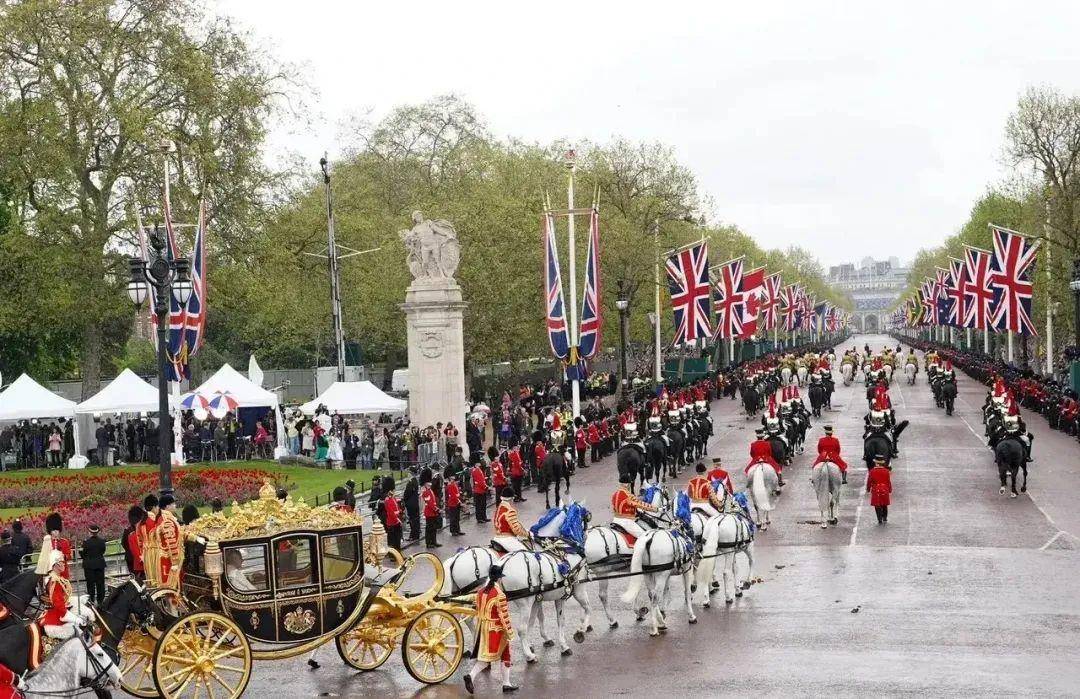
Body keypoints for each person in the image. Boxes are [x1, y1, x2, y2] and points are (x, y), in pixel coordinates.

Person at [463, 564, 517, 694]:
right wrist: (510, 633)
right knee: (498, 657)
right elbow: (504, 617)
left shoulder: (480, 592)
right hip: (496, 630)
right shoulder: (499, 594)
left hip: (482, 628)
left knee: (487, 658)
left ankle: (506, 683)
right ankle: (472, 676)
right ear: (499, 578)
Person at [41, 550, 81, 639]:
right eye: (62, 562)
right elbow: (57, 602)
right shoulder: (56, 581)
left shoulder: (55, 578)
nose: (64, 564)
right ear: (56, 564)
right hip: (57, 618)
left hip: (56, 613)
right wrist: (72, 617)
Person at [611, 473, 657, 541]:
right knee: (645, 537)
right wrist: (656, 509)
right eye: (629, 484)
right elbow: (641, 504)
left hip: (615, 519)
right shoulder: (627, 495)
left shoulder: (615, 494)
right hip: (626, 521)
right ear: (627, 484)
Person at [156, 494, 184, 591]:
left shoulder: (165, 517)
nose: (175, 506)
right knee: (172, 589)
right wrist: (175, 562)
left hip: (167, 559)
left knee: (171, 590)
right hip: (169, 561)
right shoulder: (167, 520)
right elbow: (171, 543)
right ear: (167, 506)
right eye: (173, 504)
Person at [34, 512, 71, 580]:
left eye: (57, 530)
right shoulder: (47, 542)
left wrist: (63, 556)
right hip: (51, 572)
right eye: (53, 530)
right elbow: (44, 557)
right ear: (50, 531)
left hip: (63, 572)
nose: (56, 532)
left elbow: (69, 556)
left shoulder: (64, 542)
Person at [79, 524, 107, 606]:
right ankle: (100, 601)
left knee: (90, 585)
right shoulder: (102, 541)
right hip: (99, 564)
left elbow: (83, 554)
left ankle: (91, 601)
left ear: (90, 532)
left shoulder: (86, 542)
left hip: (89, 566)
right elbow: (103, 551)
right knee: (100, 584)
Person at [137, 495, 161, 585]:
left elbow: (139, 541)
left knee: (150, 579)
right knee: (159, 578)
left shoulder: (140, 522)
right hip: (157, 552)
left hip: (146, 553)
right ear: (154, 507)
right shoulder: (156, 520)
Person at [121, 506, 145, 580]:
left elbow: (123, 543)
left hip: (131, 557)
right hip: (136, 559)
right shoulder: (132, 532)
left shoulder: (128, 530)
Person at [867, 456, 893, 524]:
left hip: (876, 489)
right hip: (885, 489)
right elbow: (888, 481)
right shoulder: (886, 471)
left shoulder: (872, 471)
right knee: (884, 504)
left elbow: (869, 481)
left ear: (876, 463)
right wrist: (890, 489)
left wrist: (868, 489)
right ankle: (885, 517)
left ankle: (879, 519)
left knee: (877, 505)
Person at [381, 477, 403, 552]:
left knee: (397, 539)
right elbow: (391, 513)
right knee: (393, 540)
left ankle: (398, 553)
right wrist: (398, 519)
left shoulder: (392, 498)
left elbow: (396, 508)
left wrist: (400, 511)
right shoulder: (387, 499)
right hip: (392, 522)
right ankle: (393, 555)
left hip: (395, 521)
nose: (394, 491)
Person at [421, 476, 441, 549]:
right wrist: (436, 509)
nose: (430, 484)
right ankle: (428, 543)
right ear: (425, 484)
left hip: (433, 512)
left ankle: (434, 541)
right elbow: (429, 503)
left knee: (433, 528)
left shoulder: (430, 490)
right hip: (429, 512)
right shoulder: (425, 492)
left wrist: (436, 508)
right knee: (429, 528)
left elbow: (433, 501)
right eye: (428, 483)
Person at [403, 472, 421, 542]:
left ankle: (412, 535)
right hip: (415, 503)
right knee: (416, 519)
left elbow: (407, 493)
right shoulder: (415, 481)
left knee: (412, 520)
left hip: (411, 504)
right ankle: (416, 535)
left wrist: (404, 499)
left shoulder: (410, 483)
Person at [471, 460, 490, 524]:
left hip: (481, 489)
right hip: (479, 490)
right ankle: (480, 518)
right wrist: (486, 487)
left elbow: (481, 479)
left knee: (483, 504)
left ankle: (483, 517)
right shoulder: (476, 470)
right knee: (480, 505)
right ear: (476, 464)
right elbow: (479, 481)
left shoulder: (478, 470)